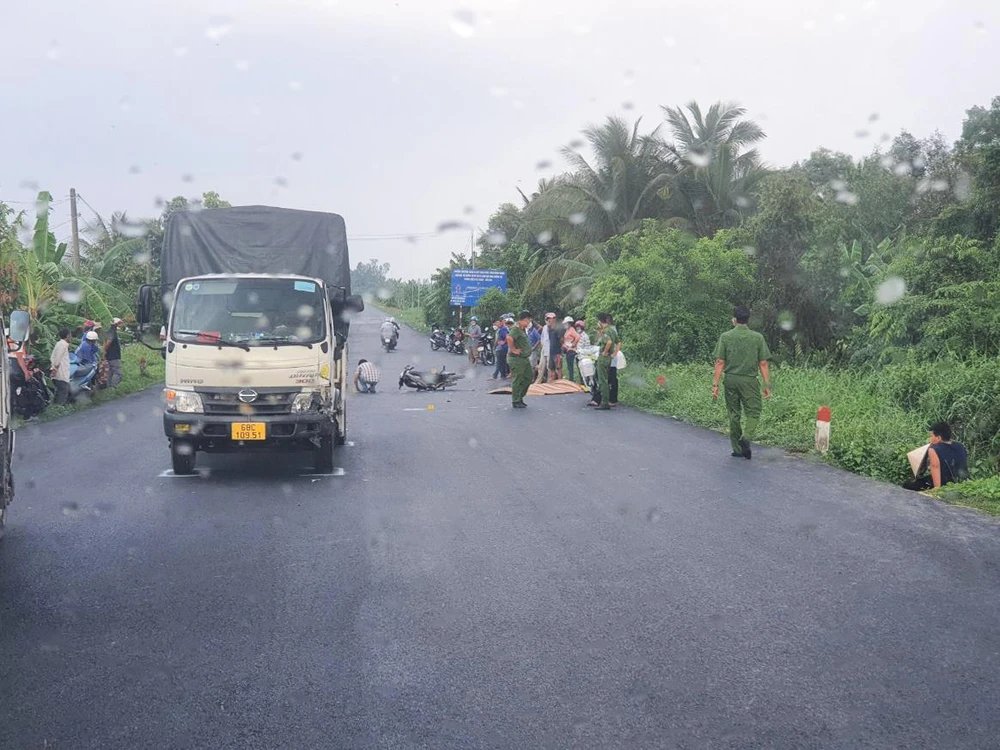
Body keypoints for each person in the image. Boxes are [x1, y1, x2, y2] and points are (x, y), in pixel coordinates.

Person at [712, 305, 771, 460]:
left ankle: (737, 449)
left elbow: (719, 362)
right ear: (748, 319)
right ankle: (746, 437)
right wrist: (766, 385)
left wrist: (715, 385)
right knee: (754, 412)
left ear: (734, 319)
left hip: (730, 379)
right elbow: (763, 363)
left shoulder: (725, 336)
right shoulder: (757, 337)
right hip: (749, 381)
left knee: (734, 414)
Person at [904, 422, 969, 490]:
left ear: (938, 438)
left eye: (931, 436)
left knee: (908, 484)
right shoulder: (960, 446)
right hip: (962, 483)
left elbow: (935, 468)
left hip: (945, 485)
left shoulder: (934, 449)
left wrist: (936, 490)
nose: (930, 439)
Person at [591, 312, 619, 410]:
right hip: (609, 358)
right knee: (606, 379)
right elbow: (618, 342)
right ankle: (605, 400)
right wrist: (614, 353)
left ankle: (604, 402)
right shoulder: (612, 330)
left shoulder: (606, 331)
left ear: (600, 321)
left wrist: (605, 352)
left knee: (603, 381)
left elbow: (609, 342)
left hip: (603, 358)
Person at [507, 310, 533, 409]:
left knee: (528, 377)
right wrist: (513, 349)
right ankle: (516, 400)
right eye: (528, 321)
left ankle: (520, 396)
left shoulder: (522, 329)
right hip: (516, 359)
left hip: (524, 359)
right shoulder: (516, 329)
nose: (529, 323)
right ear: (524, 320)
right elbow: (509, 338)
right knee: (518, 379)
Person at [50, 328, 72, 405]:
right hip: (61, 372)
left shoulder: (60, 344)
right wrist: (55, 369)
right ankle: (59, 407)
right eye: (70, 335)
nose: (71, 337)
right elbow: (58, 359)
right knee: (63, 391)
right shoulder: (63, 345)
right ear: (67, 336)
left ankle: (56, 407)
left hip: (60, 371)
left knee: (59, 391)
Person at [104, 317, 124, 388]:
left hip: (111, 355)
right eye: (119, 323)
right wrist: (105, 351)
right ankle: (113, 387)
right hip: (113, 356)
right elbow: (108, 342)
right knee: (118, 373)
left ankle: (109, 387)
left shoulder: (111, 331)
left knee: (110, 372)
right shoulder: (112, 332)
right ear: (116, 324)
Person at [535, 313, 554, 384]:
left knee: (549, 366)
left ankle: (549, 381)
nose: (549, 320)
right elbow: (542, 337)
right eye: (548, 319)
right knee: (541, 366)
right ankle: (538, 381)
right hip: (544, 348)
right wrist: (542, 345)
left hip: (551, 349)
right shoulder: (545, 327)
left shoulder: (554, 328)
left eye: (550, 319)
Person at [561, 315, 580, 382]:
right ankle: (570, 379)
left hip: (571, 350)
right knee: (569, 366)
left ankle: (572, 380)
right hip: (567, 349)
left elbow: (577, 337)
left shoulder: (571, 330)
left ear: (569, 323)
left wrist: (573, 345)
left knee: (570, 366)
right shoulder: (567, 330)